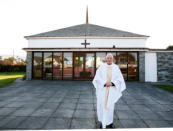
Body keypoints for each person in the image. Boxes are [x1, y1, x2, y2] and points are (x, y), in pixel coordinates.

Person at [92, 53, 126, 129]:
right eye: (108, 58)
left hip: (112, 90)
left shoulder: (116, 67)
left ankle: (110, 123)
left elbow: (120, 79)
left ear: (113, 59)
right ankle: (102, 122)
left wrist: (112, 83)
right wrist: (104, 83)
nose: (109, 59)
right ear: (106, 59)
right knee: (101, 106)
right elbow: (97, 78)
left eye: (111, 58)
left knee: (110, 107)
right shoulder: (101, 67)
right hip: (102, 90)